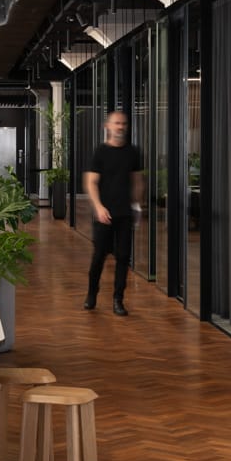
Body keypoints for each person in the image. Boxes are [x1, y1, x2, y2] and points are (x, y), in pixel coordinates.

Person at [84, 110, 145, 315]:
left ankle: (118, 300)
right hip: (104, 214)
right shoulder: (100, 152)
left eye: (123, 123)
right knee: (99, 256)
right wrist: (99, 207)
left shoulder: (133, 152)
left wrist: (137, 206)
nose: (120, 127)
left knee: (123, 258)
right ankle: (92, 294)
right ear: (107, 127)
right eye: (117, 123)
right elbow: (91, 182)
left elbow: (137, 181)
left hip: (125, 215)